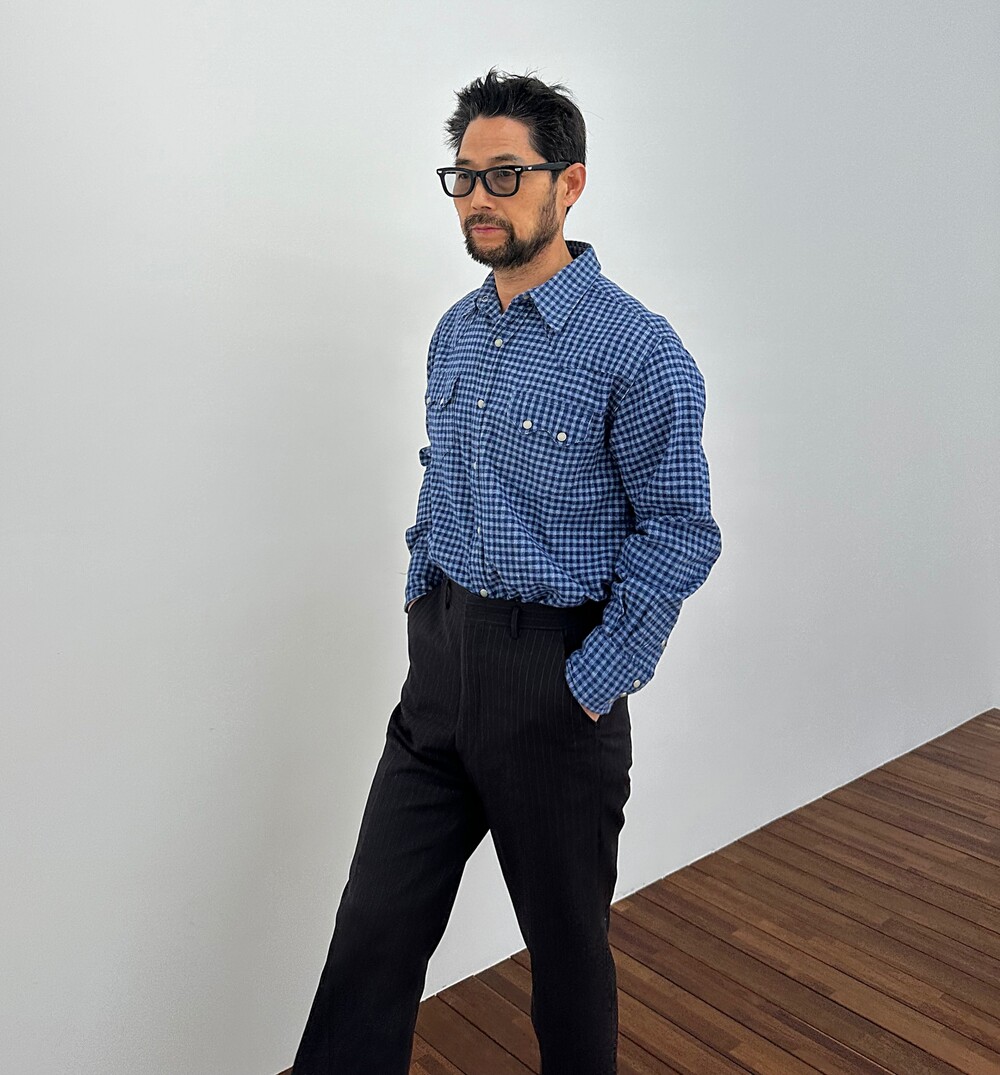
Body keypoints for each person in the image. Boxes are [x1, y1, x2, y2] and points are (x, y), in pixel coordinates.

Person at [292, 68, 722, 1075]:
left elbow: (679, 529)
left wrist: (590, 681)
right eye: (464, 177)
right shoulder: (455, 330)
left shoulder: (639, 351)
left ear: (569, 183)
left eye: (505, 174)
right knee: (372, 933)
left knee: (566, 959)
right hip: (439, 674)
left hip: (553, 687)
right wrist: (422, 595)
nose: (478, 198)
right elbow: (442, 479)